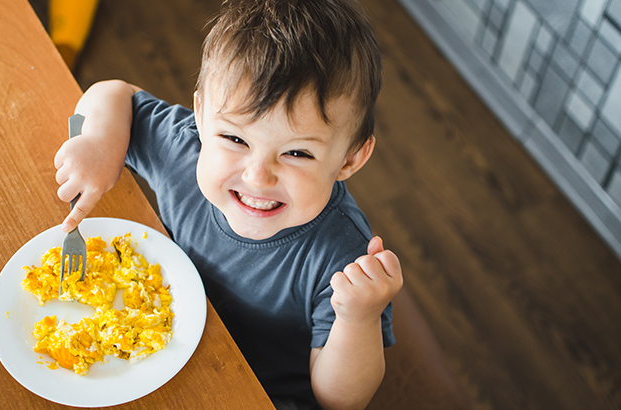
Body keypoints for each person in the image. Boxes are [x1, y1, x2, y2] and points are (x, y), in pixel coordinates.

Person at [53, 0, 403, 408]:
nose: (258, 176)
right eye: (236, 140)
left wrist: (357, 318)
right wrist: (99, 141)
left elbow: (340, 401)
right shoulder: (185, 149)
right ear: (201, 115)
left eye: (297, 154)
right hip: (160, 353)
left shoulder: (342, 258)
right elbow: (113, 93)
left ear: (349, 159)